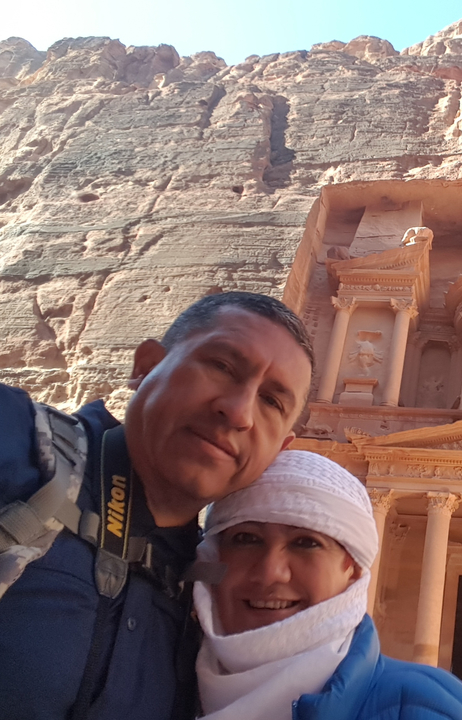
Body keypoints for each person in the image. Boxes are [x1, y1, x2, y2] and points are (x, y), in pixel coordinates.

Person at [0, 291, 315, 720]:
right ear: (145, 367)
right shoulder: (15, 444)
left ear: (281, 449)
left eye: (272, 401)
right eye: (222, 367)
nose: (239, 412)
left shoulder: (219, 600)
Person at [193, 449, 462, 720]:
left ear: (352, 567)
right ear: (212, 555)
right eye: (246, 539)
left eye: (306, 543)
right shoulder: (160, 678)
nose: (270, 572)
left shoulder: (431, 709)